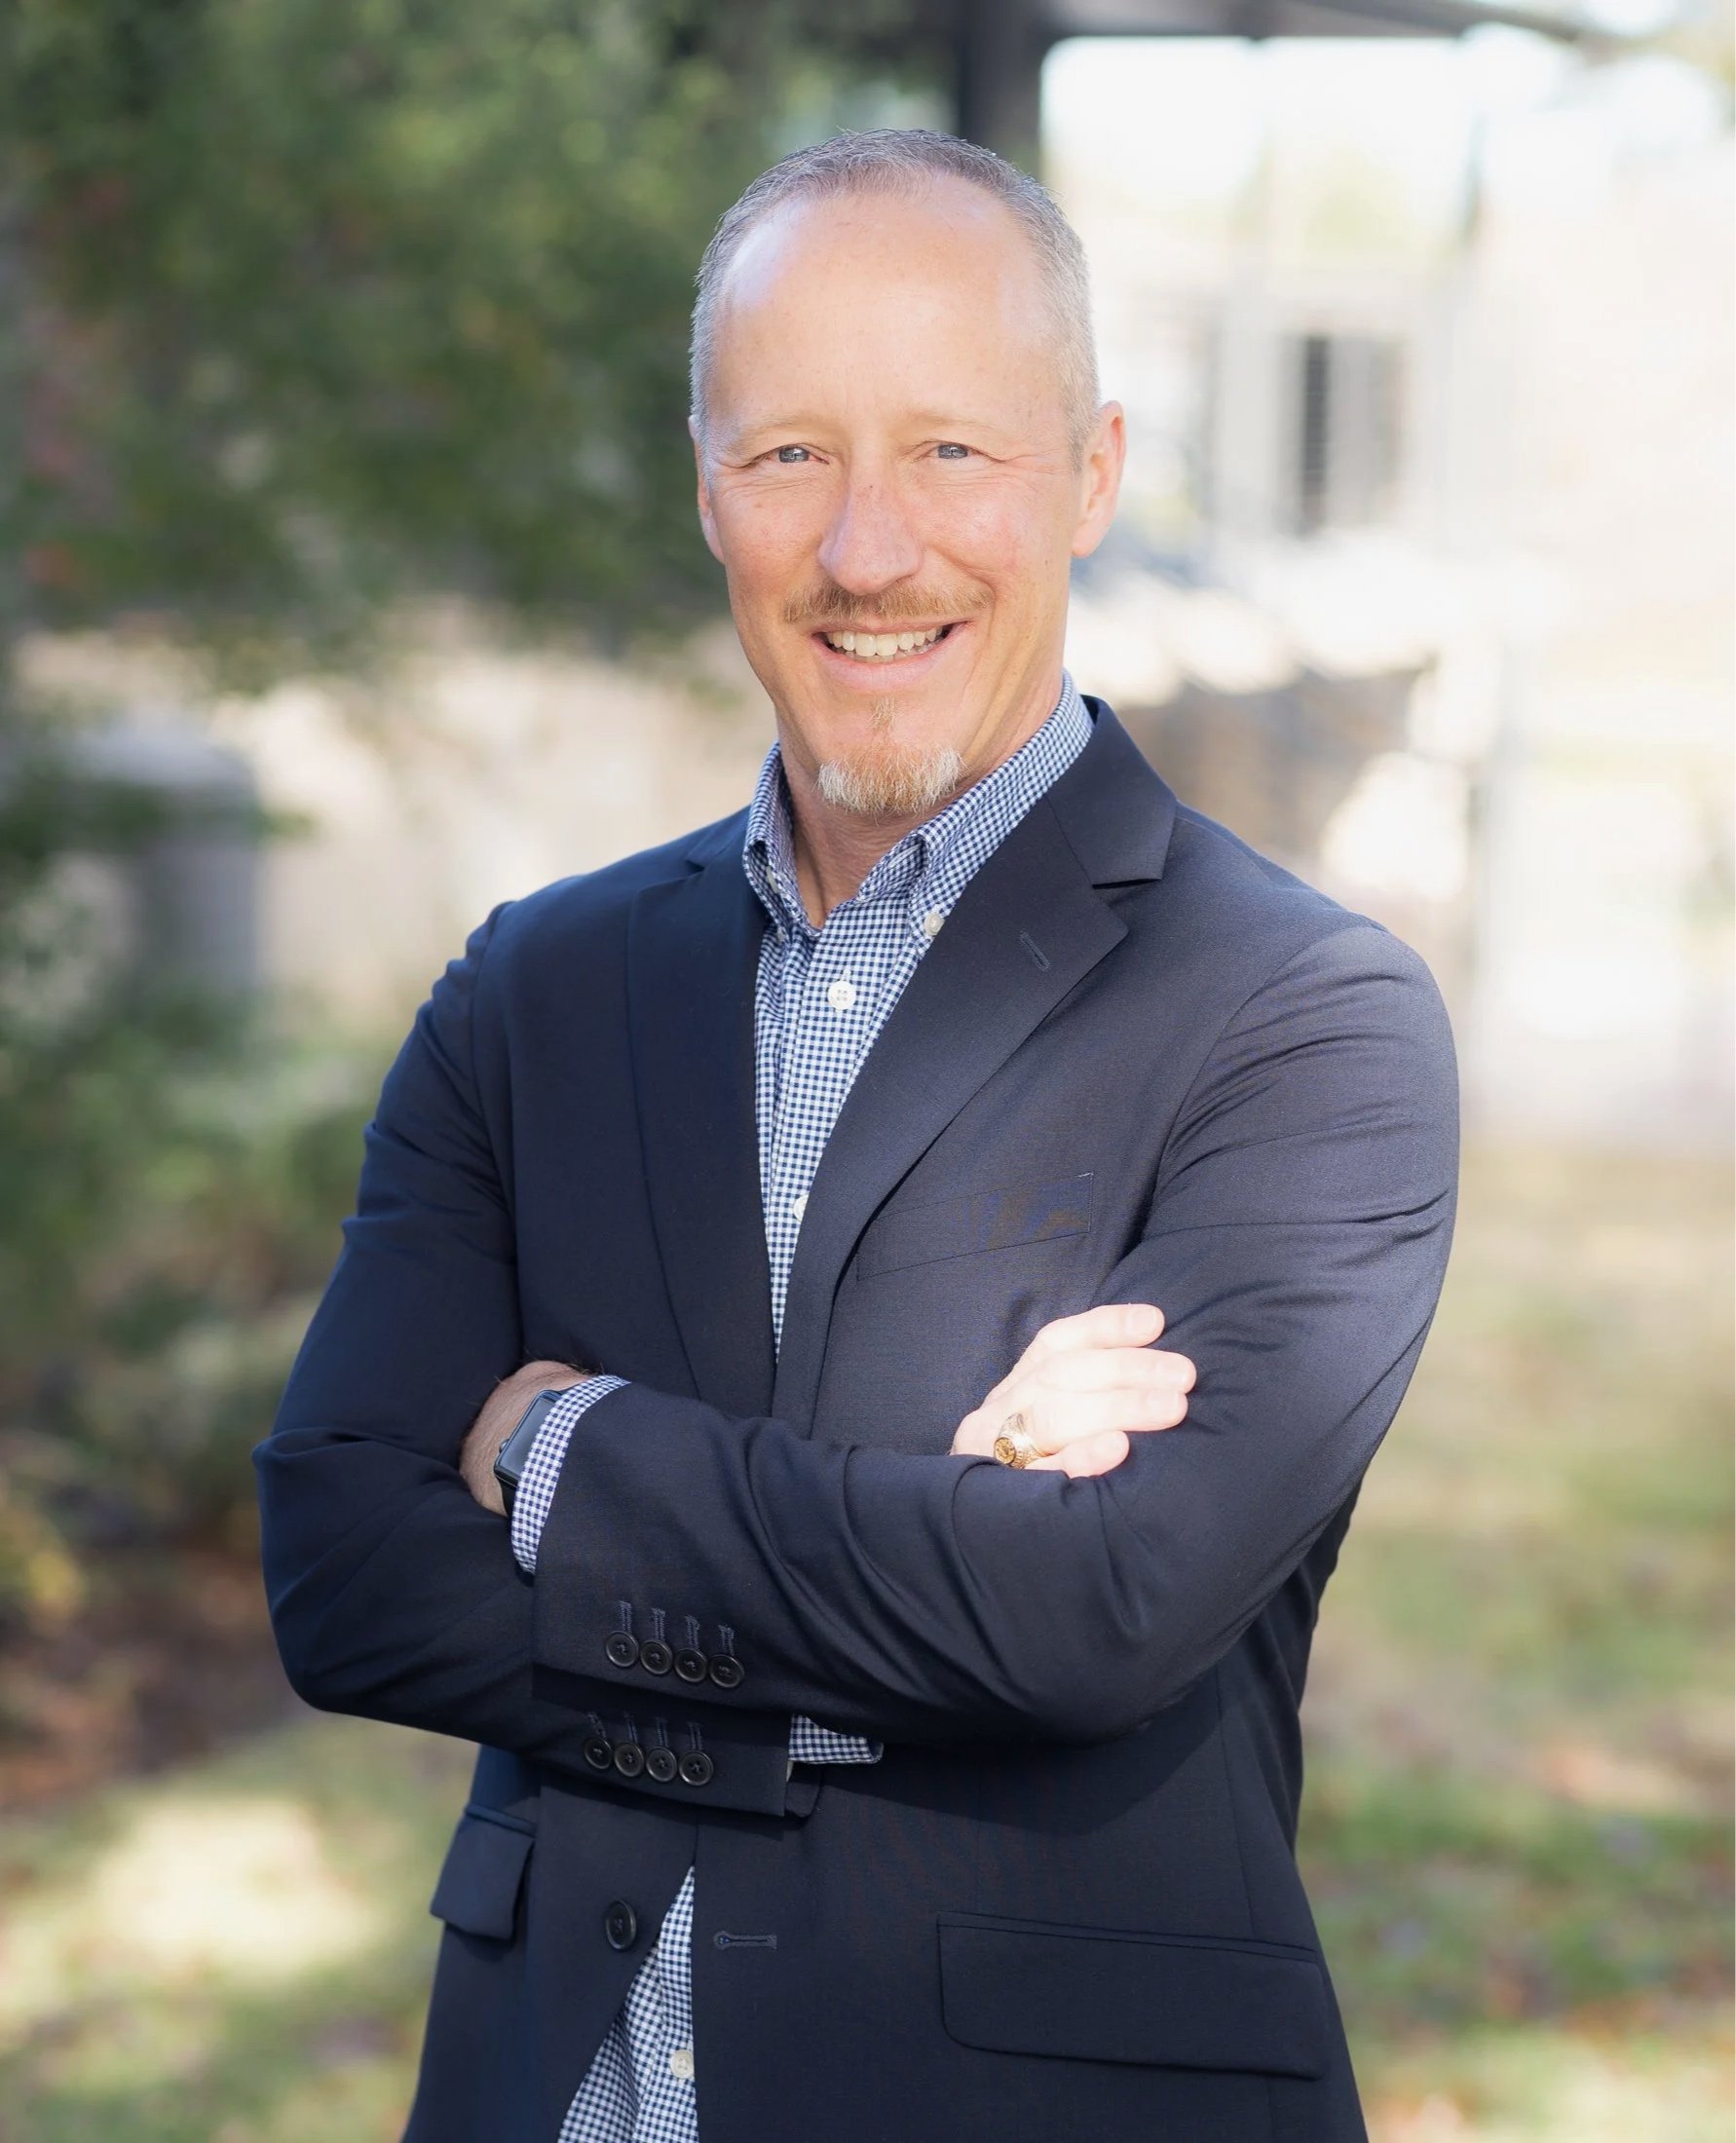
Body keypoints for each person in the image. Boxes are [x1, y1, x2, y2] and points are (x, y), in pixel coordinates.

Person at [256, 129, 1458, 2143]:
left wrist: (561, 1448)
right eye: (791, 453)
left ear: (1092, 473)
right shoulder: (533, 990)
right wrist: (933, 1550)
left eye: (954, 455)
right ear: (706, 481)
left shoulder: (1300, 1014)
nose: (869, 550)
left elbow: (1097, 1608)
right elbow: (347, 1566)